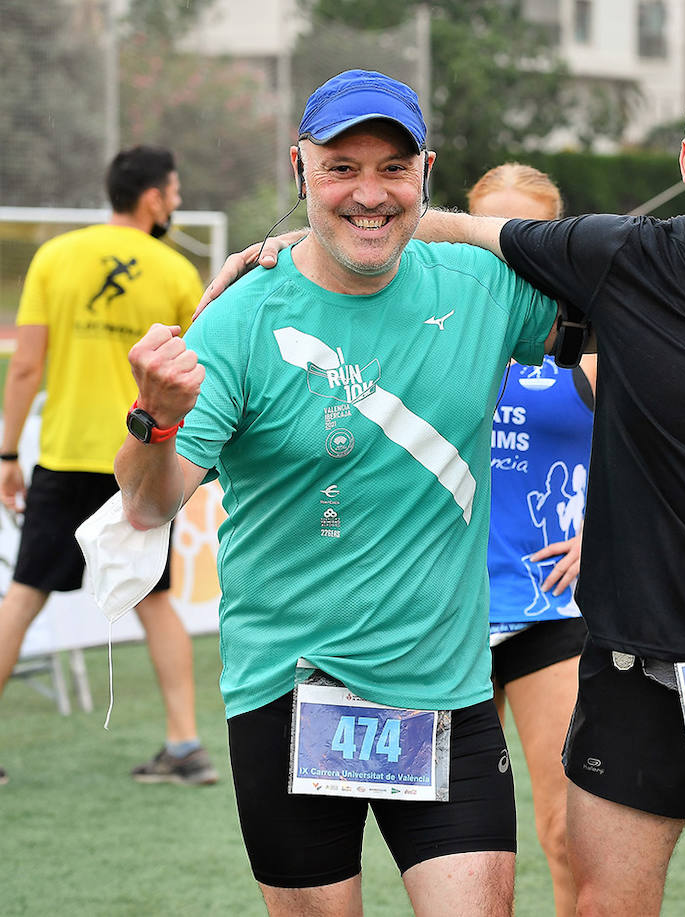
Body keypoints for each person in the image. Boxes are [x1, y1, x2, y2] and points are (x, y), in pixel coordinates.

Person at [208, 53, 685, 916]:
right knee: (601, 903)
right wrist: (307, 244)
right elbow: (466, 231)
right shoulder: (615, 258)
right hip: (624, 657)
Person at [114, 70, 563, 915]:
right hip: (291, 696)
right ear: (300, 169)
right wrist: (154, 420)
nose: (368, 192)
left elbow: (631, 301)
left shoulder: (479, 287)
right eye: (341, 167)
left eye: (392, 168)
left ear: (425, 173)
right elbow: (144, 505)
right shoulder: (242, 317)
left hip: (445, 694)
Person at [0, 145, 216, 788]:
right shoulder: (177, 270)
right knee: (155, 601)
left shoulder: (54, 257)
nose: (176, 203)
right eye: (174, 191)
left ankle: (183, 749)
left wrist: (9, 451)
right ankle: (186, 745)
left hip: (65, 457)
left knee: (24, 595)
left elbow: (27, 366)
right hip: (144, 457)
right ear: (152, 196)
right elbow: (195, 375)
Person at [469, 163, 593, 917]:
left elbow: (661, 439)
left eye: (526, 235)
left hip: (551, 608)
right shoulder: (435, 329)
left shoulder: (588, 333)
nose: (505, 249)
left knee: (567, 830)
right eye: (488, 233)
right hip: (446, 613)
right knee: (464, 845)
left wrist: (605, 530)